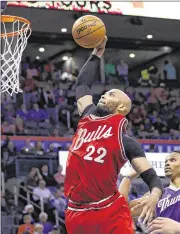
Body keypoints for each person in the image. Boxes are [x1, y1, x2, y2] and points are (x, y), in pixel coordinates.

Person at [64, 36, 163, 234]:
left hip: (108, 209)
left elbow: (151, 176)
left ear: (121, 107)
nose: (103, 94)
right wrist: (96, 54)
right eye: (105, 92)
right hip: (75, 209)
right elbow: (82, 85)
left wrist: (154, 195)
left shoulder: (126, 141)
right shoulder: (88, 116)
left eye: (111, 94)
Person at [119, 151, 180, 234]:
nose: (167, 163)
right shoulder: (155, 196)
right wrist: (128, 177)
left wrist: (177, 228)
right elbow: (120, 211)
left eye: (173, 160)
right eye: (166, 161)